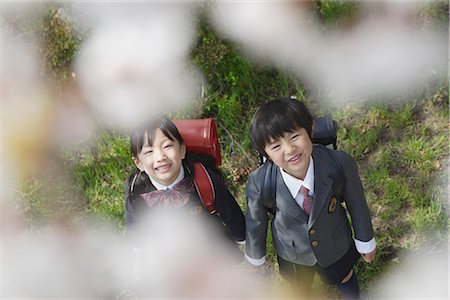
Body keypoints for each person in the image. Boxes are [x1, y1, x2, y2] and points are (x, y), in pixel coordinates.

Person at [244, 97, 376, 299]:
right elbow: (256, 222)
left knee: (344, 277)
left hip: (335, 244)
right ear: (265, 153)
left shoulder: (339, 164)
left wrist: (365, 240)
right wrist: (255, 257)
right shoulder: (260, 182)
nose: (289, 150)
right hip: (292, 253)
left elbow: (357, 205)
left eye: (295, 136)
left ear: (310, 129)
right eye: (276, 146)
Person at [124, 116, 246, 248]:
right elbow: (134, 223)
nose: (160, 157)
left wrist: (244, 241)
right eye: (149, 151)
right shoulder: (136, 189)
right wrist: (137, 249)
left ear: (182, 150)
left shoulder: (203, 179)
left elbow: (230, 211)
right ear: (139, 163)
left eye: (167, 146)